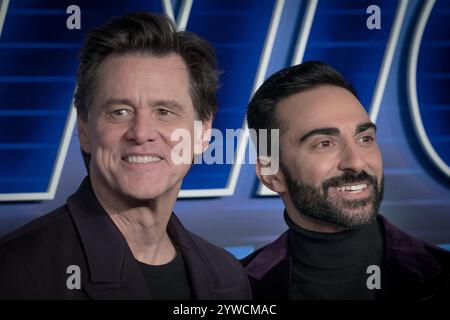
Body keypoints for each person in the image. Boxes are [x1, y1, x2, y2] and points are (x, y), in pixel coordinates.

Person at [0, 12, 251, 300]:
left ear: (203, 132)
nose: (141, 132)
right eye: (120, 112)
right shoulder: (16, 272)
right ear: (84, 129)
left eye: (164, 112)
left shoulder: (229, 276)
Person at [242, 61, 450, 300]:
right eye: (325, 143)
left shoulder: (442, 273)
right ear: (271, 174)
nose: (357, 163)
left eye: (365, 138)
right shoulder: (233, 290)